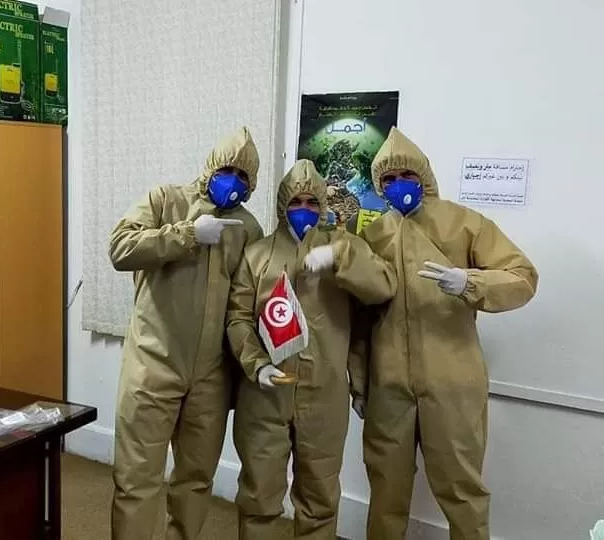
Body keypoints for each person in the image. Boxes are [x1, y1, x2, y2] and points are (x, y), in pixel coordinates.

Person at [354, 127, 538, 540]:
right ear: (379, 185)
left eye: (407, 174)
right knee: (385, 488)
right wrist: (359, 382)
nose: (399, 184)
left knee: (462, 490)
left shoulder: (463, 223)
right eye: (389, 178)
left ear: (424, 175)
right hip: (388, 386)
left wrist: (470, 282)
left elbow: (523, 277)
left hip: (452, 381)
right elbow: (361, 319)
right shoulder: (374, 235)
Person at [226, 159, 397, 540]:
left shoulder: (344, 249)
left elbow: (380, 293)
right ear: (281, 205)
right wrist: (256, 364)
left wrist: (340, 258)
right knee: (259, 496)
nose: (303, 209)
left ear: (323, 205)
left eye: (312, 202)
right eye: (295, 201)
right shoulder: (257, 255)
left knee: (319, 497)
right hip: (265, 395)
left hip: (325, 394)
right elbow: (237, 318)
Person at [108, 126, 264, 540]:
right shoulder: (166, 200)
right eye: (227, 169)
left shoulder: (248, 229)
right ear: (210, 167)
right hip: (153, 364)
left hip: (211, 375)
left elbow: (245, 303)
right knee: (137, 477)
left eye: (243, 176)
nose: (233, 180)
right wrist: (188, 234)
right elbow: (121, 249)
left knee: (196, 479)